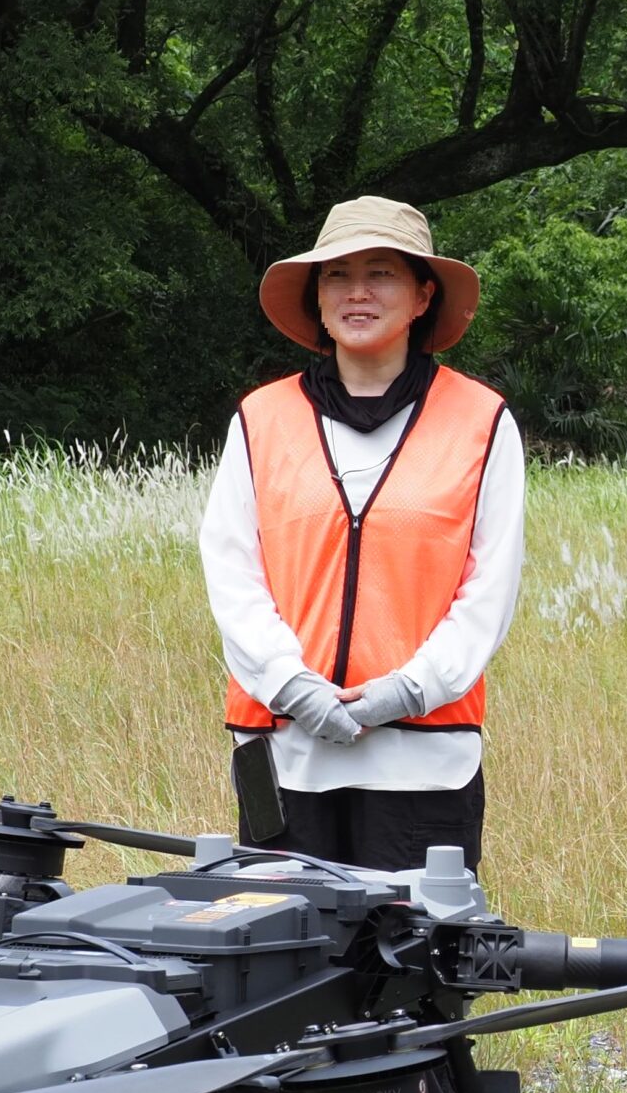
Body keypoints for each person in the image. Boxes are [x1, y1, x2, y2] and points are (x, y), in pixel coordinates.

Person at [203, 197, 521, 871]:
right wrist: (293, 687)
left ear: (422, 296)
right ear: (317, 298)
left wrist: (405, 691)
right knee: (282, 968)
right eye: (337, 275)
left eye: (381, 274)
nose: (357, 293)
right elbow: (233, 574)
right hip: (285, 760)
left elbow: (488, 591)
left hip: (424, 765)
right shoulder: (259, 420)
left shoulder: (484, 421)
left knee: (417, 972)